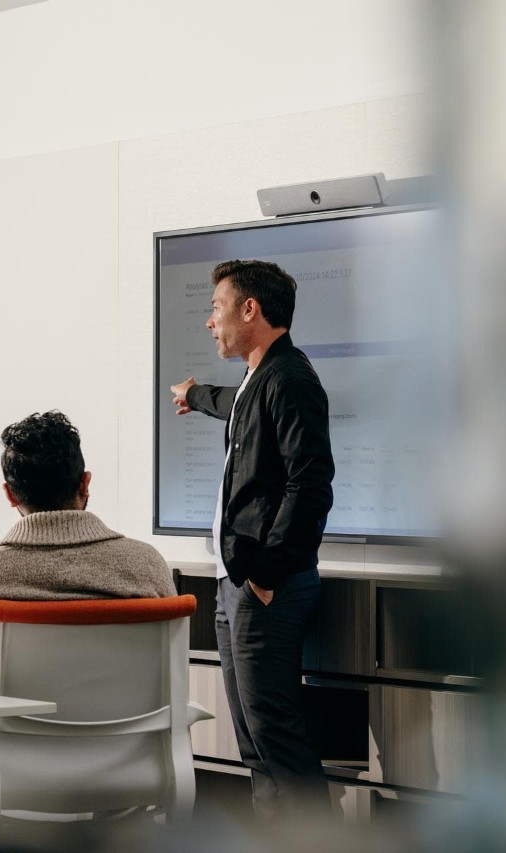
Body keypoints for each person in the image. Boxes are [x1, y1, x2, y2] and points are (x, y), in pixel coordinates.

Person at [169, 259, 334, 819]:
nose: (209, 321)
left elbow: (309, 486)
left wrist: (266, 571)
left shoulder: (290, 379)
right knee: (255, 746)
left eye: (215, 308)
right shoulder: (255, 379)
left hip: (267, 585)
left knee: (277, 742)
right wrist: (194, 395)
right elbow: (234, 407)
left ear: (250, 309)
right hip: (237, 582)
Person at [0, 411, 176, 692]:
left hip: (14, 736)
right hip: (135, 735)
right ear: (85, 483)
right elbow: (171, 676)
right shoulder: (146, 565)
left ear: (10, 494)